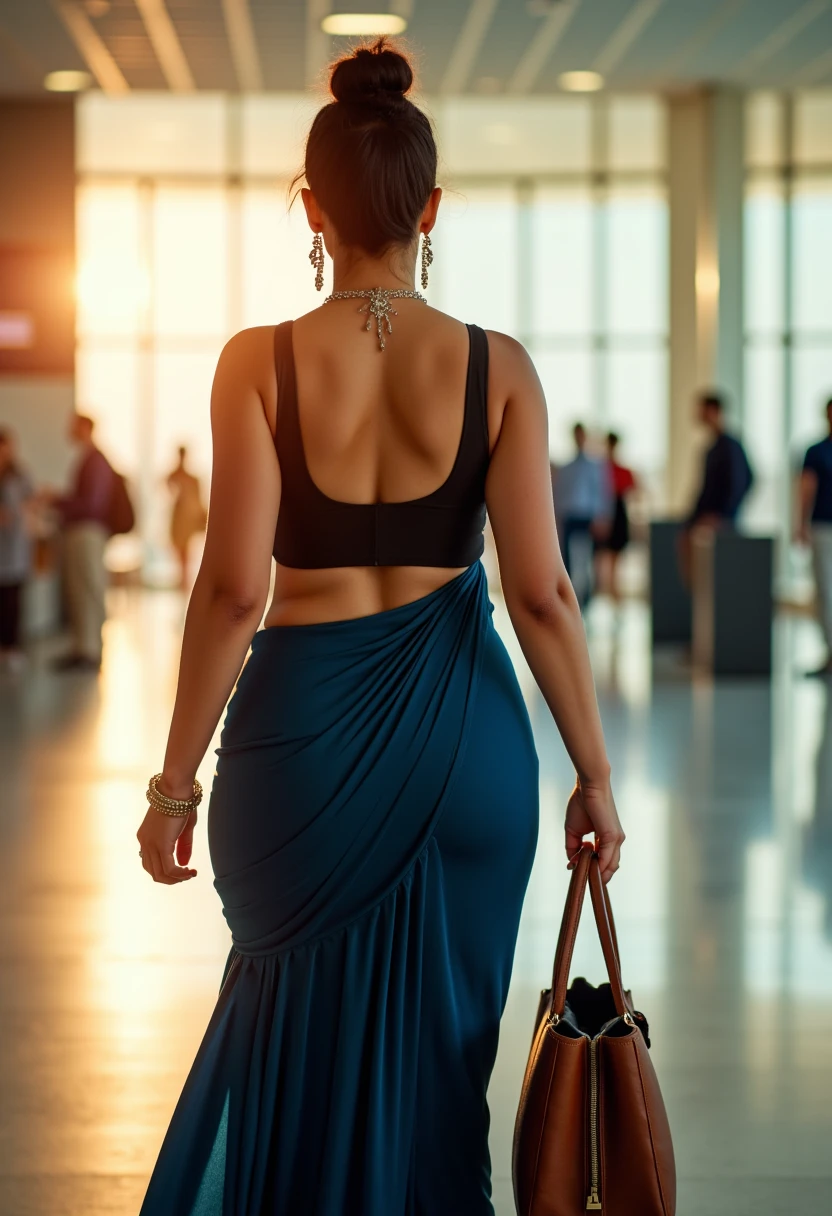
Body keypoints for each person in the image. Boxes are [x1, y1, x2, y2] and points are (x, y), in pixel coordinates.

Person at [135, 39, 624, 1216]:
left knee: (285, 1034)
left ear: (310, 207)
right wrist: (593, 775)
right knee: (444, 1060)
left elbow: (231, 591)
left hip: (294, 749)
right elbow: (543, 594)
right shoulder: (497, 369)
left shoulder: (256, 364)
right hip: (466, 749)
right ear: (430, 206)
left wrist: (172, 783)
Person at [52, 413, 115, 672]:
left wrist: (58, 501)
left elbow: (91, 504)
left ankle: (90, 651)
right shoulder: (88, 459)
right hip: (80, 532)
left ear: (85, 428)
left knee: (88, 588)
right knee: (78, 590)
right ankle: (82, 648)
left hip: (87, 533)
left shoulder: (96, 461)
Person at [679, 391, 754, 585]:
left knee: (717, 578)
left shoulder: (730, 446)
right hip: (707, 517)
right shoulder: (711, 448)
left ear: (714, 411)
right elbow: (705, 489)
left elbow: (742, 482)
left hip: (720, 522)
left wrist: (723, 516)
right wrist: (691, 518)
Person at [552, 422, 611, 610]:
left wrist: (602, 517)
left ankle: (586, 601)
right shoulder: (567, 467)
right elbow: (560, 494)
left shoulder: (595, 466)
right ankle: (569, 600)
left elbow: (601, 492)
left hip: (588, 517)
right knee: (567, 559)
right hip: (570, 516)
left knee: (587, 559)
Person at [798, 397, 832, 678]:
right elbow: (806, 488)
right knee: (825, 592)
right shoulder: (816, 452)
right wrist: (800, 524)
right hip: (823, 528)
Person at [0, 428, 35, 671]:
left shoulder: (20, 474)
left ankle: (11, 648)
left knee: (13, 600)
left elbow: (31, 501)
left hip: (15, 545)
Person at [594, 431, 637, 603]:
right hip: (604, 515)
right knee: (602, 564)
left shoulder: (622, 471)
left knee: (615, 564)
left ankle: (615, 599)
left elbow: (632, 493)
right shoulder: (600, 470)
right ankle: (606, 598)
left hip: (618, 514)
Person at [167, 445, 207, 590]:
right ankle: (183, 581)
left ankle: (185, 582)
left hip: (188, 520)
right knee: (179, 552)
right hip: (179, 520)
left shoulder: (191, 479)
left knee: (186, 553)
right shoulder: (173, 476)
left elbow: (197, 500)